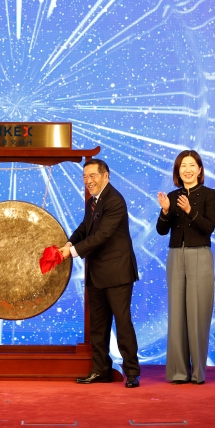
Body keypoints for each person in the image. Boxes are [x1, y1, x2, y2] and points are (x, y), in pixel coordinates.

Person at [60, 159, 141, 388]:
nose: (88, 181)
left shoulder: (114, 200)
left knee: (122, 324)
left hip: (117, 272)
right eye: (85, 177)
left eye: (93, 176)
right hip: (96, 272)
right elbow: (85, 228)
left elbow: (102, 235)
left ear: (106, 176)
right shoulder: (93, 201)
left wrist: (72, 252)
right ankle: (101, 370)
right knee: (98, 326)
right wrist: (69, 242)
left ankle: (132, 372)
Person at [155, 149, 215, 385]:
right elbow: (162, 230)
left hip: (200, 254)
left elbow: (208, 227)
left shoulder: (209, 195)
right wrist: (165, 211)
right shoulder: (172, 196)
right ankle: (178, 372)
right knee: (177, 314)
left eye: (192, 165)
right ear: (177, 171)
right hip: (175, 255)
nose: (187, 170)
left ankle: (198, 372)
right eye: (183, 166)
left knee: (198, 313)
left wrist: (190, 211)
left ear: (200, 170)